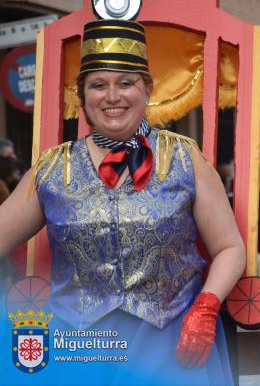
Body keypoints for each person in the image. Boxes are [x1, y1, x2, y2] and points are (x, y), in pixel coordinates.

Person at [0, 19, 244, 385]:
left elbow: (229, 246)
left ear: (147, 90)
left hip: (170, 346)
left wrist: (207, 305)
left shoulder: (183, 156)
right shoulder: (52, 169)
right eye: (98, 85)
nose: (112, 96)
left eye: (126, 83)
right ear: (81, 96)